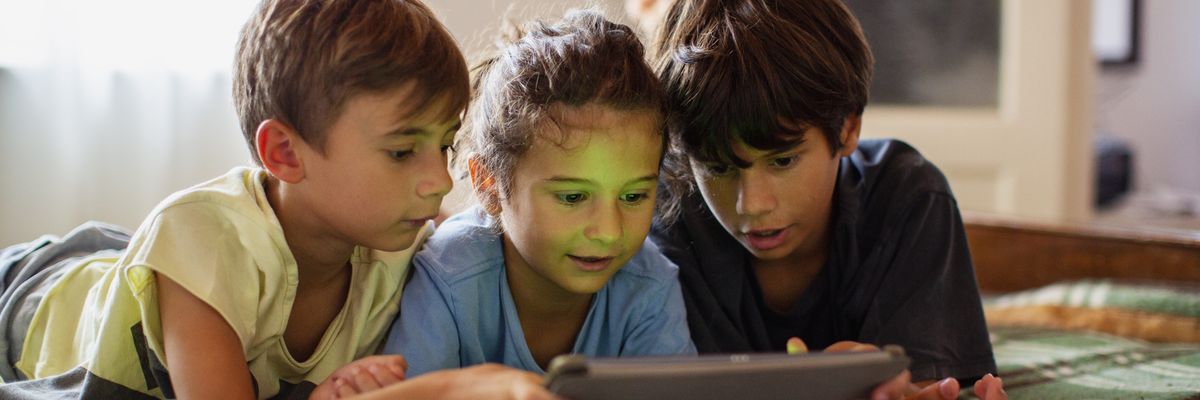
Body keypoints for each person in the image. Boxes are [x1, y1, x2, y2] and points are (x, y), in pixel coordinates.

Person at [0, 0, 556, 398]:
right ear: (285, 153)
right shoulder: (205, 238)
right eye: (401, 151)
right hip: (39, 296)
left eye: (445, 145)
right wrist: (448, 389)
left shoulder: (404, 238)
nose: (439, 179)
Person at [640, 0, 1006, 398]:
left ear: (848, 129)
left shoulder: (907, 200)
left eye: (783, 160)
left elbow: (926, 388)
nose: (753, 205)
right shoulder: (660, 216)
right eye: (719, 168)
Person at [381, 9, 695, 377]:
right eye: (572, 197)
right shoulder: (450, 275)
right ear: (490, 185)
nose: (609, 231)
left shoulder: (649, 285)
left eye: (633, 197)